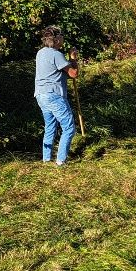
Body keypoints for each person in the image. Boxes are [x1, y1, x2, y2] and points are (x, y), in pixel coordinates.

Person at [34, 25, 79, 166]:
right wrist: (73, 58)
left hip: (40, 95)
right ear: (57, 39)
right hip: (54, 96)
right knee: (69, 128)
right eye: (61, 36)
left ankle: (46, 160)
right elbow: (73, 74)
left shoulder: (40, 53)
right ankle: (61, 161)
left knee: (50, 126)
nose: (63, 38)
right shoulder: (56, 54)